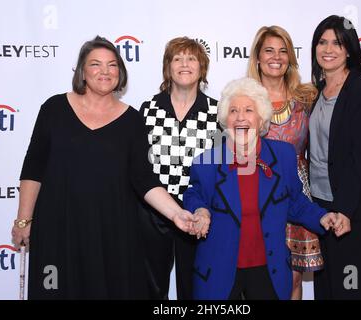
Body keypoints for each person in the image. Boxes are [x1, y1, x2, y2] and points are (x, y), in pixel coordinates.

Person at [11, 36, 197, 299]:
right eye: (95, 64)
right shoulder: (54, 109)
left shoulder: (133, 120)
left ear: (120, 72)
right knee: (53, 290)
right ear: (82, 72)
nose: (105, 71)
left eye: (112, 65)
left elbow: (143, 179)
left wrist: (176, 214)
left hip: (112, 234)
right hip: (57, 230)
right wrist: (23, 219)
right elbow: (33, 168)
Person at [183, 77, 338, 300]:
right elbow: (193, 194)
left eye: (248, 110)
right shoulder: (206, 161)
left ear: (261, 117)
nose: (240, 117)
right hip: (218, 270)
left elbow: (295, 201)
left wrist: (323, 217)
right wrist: (200, 210)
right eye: (234, 110)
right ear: (226, 119)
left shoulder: (283, 155)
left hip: (269, 269)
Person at [309, 15, 361, 299]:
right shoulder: (319, 92)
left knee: (350, 290)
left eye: (337, 42)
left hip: (352, 213)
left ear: (349, 50)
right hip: (323, 210)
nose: (329, 48)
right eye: (323, 42)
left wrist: (345, 210)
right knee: (325, 291)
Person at [138, 37, 219, 300]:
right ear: (167, 67)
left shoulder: (217, 112)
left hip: (197, 212)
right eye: (177, 58)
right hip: (153, 214)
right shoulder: (148, 109)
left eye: (192, 58)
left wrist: (204, 210)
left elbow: (218, 168)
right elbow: (139, 167)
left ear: (202, 68)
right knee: (151, 288)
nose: (185, 64)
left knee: (194, 290)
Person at [247, 25, 322, 300]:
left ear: (290, 57)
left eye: (283, 51)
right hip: (256, 194)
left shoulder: (308, 97)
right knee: (258, 277)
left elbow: (329, 137)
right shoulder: (246, 98)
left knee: (291, 278)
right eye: (269, 50)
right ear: (257, 57)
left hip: (296, 194)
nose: (276, 57)